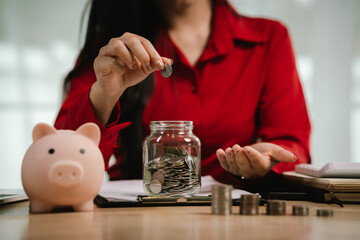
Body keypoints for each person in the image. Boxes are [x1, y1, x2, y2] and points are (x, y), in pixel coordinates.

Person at [55, 0, 311, 188]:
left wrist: (267, 157)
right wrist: (105, 94)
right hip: (132, 217)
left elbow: (292, 145)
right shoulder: (112, 51)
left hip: (235, 213)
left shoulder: (270, 38)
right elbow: (58, 158)